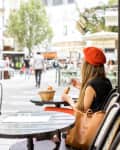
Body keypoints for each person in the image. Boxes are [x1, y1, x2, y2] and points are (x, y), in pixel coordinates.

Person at [61, 46, 112, 112]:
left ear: (87, 66)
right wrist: (81, 86)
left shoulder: (92, 85)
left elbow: (81, 111)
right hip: (102, 119)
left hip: (92, 121)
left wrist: (68, 99)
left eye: (83, 61)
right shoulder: (106, 81)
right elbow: (98, 95)